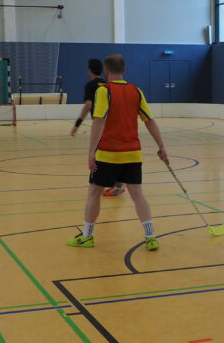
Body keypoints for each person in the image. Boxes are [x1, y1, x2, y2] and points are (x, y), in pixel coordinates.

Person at [67, 54, 168, 250]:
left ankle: (87, 236)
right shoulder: (136, 91)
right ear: (124, 70)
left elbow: (99, 120)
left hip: (108, 154)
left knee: (94, 192)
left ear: (106, 70)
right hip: (133, 153)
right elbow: (149, 120)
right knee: (137, 194)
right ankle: (150, 236)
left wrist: (91, 152)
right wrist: (162, 146)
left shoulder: (104, 91)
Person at [71, 58, 125, 196]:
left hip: (100, 125)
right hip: (114, 124)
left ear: (89, 70)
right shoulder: (108, 84)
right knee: (113, 153)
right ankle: (118, 184)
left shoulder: (90, 85)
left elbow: (88, 105)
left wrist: (76, 125)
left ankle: (101, 185)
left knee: (96, 155)